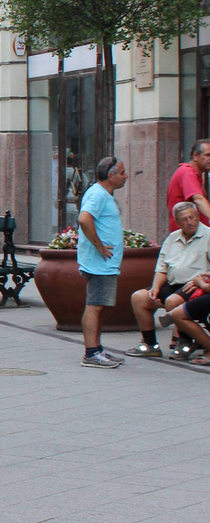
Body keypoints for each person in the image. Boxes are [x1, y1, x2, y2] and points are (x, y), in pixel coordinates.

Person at [127, 201, 209, 358]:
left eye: (192, 217)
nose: (190, 222)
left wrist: (201, 280)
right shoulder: (172, 238)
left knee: (173, 301)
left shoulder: (208, 236)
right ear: (177, 222)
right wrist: (155, 287)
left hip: (194, 286)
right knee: (139, 298)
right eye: (184, 219)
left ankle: (185, 341)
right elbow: (162, 268)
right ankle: (150, 344)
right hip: (171, 283)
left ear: (198, 216)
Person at [76, 156, 129, 368]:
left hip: (105, 264)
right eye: (123, 172)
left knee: (100, 306)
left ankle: (97, 349)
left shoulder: (103, 194)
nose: (126, 176)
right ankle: (91, 353)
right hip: (99, 263)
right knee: (95, 306)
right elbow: (83, 218)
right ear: (111, 175)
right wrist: (99, 246)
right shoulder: (97, 194)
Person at [166, 140, 210, 231]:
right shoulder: (187, 172)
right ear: (196, 156)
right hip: (189, 237)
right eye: (208, 155)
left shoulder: (193, 174)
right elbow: (198, 199)